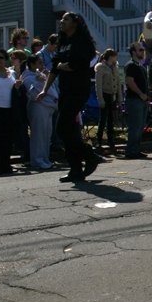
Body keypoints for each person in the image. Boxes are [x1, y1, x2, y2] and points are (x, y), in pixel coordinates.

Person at [37, 12, 100, 182]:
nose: (62, 22)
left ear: (75, 24)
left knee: (61, 128)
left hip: (79, 89)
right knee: (69, 129)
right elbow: (56, 68)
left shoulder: (80, 41)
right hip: (64, 90)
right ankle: (75, 169)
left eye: (66, 20)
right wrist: (44, 90)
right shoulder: (63, 42)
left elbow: (76, 65)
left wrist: (65, 66)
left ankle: (89, 154)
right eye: (62, 20)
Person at [23, 55, 57, 169]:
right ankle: (37, 160)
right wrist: (38, 82)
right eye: (39, 63)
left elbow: (53, 87)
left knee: (47, 134)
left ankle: (45, 158)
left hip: (48, 107)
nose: (42, 65)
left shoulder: (40, 75)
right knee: (38, 135)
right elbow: (31, 94)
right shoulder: (28, 77)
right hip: (38, 107)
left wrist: (48, 76)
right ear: (32, 65)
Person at [123, 42, 150, 159]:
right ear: (133, 52)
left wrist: (146, 97)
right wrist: (140, 94)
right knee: (135, 126)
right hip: (134, 100)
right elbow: (130, 81)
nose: (143, 52)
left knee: (140, 127)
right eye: (140, 50)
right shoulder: (131, 65)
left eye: (143, 50)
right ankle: (130, 151)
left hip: (142, 100)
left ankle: (136, 149)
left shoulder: (141, 66)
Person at [94, 49, 122, 149]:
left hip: (112, 95)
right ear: (111, 57)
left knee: (111, 119)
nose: (116, 58)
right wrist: (101, 100)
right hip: (105, 95)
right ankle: (99, 141)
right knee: (103, 119)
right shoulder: (101, 67)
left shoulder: (115, 67)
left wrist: (119, 98)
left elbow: (118, 83)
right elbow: (98, 85)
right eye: (115, 56)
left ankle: (111, 141)